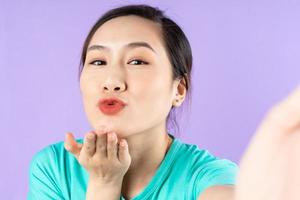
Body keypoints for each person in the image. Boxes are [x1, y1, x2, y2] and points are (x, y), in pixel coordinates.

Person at [27, 3, 300, 200]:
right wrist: (103, 184)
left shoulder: (204, 176)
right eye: (98, 61)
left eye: (137, 61)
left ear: (178, 90)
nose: (111, 80)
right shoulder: (53, 169)